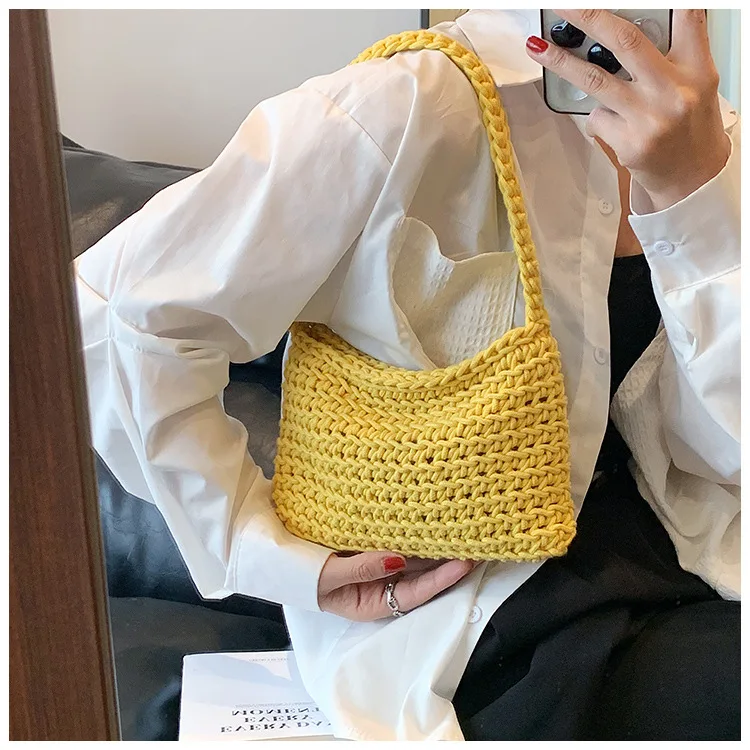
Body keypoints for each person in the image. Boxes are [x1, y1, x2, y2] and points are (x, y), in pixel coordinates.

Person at [74, 9, 740, 741]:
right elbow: (117, 319)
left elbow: (725, 453)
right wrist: (263, 554)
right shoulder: (400, 107)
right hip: (477, 625)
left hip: (695, 554)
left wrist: (693, 195)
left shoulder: (718, 141)